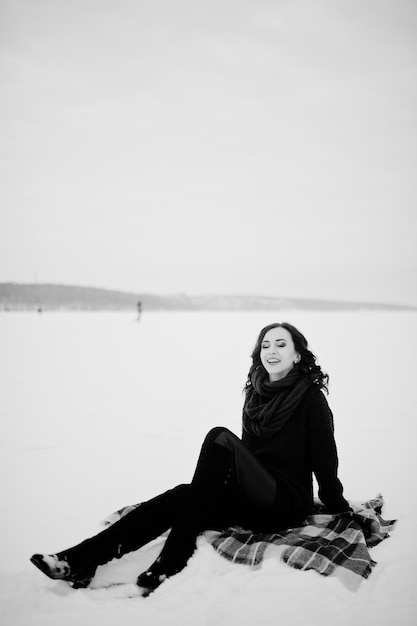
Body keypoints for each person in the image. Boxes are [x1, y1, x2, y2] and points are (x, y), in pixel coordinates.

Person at [30, 322, 351, 596]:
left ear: (297, 354)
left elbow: (325, 459)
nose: (272, 350)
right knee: (183, 496)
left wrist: (336, 504)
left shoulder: (310, 398)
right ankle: (80, 560)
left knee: (218, 437)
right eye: (266, 345)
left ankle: (172, 559)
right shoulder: (255, 395)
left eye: (282, 344)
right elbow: (249, 458)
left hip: (284, 502)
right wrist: (216, 489)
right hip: (254, 496)